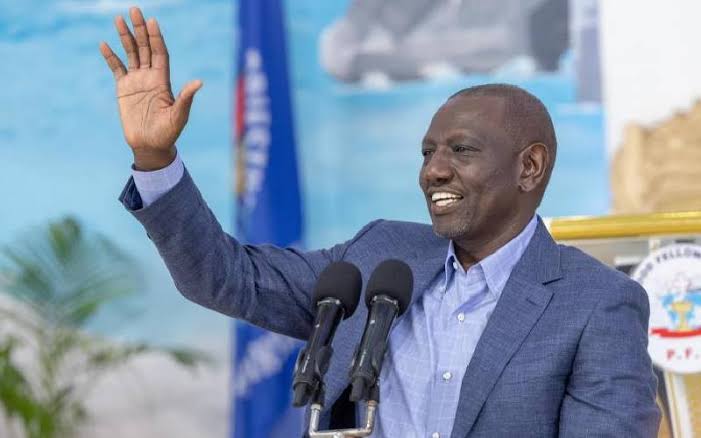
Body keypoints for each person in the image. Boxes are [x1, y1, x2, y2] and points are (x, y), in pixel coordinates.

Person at [100, 7, 660, 437]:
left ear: (529, 167)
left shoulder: (596, 303)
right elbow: (225, 277)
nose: (434, 170)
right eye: (428, 152)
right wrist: (155, 158)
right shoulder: (379, 257)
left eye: (462, 150)